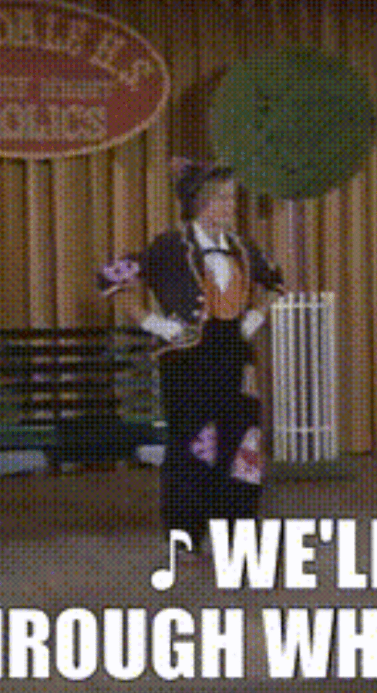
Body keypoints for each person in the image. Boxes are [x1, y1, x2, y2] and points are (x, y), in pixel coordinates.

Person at [98, 159, 283, 557]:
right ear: (200, 204)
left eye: (232, 198)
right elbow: (110, 277)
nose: (231, 206)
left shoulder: (242, 247)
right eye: (223, 199)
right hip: (188, 357)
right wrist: (153, 322)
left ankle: (237, 528)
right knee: (196, 441)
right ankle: (186, 531)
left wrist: (255, 315)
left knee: (243, 440)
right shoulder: (169, 245)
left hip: (235, 353)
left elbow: (274, 280)